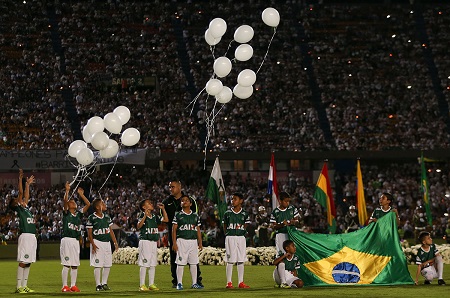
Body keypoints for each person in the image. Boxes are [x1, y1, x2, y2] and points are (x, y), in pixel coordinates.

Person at [162, 180, 203, 288]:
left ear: (179, 187)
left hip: (190, 234)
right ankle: (176, 281)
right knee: (175, 258)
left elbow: (194, 217)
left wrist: (200, 241)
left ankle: (197, 281)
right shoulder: (166, 202)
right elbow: (165, 220)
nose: (171, 189)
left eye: (173, 187)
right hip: (175, 234)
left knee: (193, 261)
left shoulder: (191, 200)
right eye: (169, 187)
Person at [9, 169, 36, 294]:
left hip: (32, 237)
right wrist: (20, 179)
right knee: (23, 262)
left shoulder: (25, 208)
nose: (19, 199)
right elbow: (21, 193)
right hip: (25, 236)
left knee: (28, 262)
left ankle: (24, 285)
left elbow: (26, 195)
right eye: (16, 199)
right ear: (16, 204)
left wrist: (28, 185)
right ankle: (18, 286)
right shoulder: (19, 208)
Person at [60, 182, 90, 292]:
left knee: (75, 264)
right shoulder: (66, 213)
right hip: (67, 239)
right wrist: (67, 191)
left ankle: (73, 285)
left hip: (75, 241)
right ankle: (64, 286)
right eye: (71, 202)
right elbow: (65, 201)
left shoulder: (78, 214)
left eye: (74, 202)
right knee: (66, 264)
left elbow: (88, 205)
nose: (73, 203)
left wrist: (82, 195)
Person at [86, 198, 119, 291]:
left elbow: (111, 231)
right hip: (97, 242)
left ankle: (104, 283)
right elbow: (89, 233)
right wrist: (92, 244)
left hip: (107, 243)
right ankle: (98, 285)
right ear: (97, 207)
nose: (105, 205)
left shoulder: (107, 217)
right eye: (102, 204)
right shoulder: (91, 218)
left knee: (108, 264)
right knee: (98, 264)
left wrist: (115, 242)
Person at [137, 198, 169, 291]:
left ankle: (151, 284)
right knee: (144, 263)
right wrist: (145, 217)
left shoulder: (154, 216)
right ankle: (142, 285)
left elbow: (166, 219)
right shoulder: (142, 214)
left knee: (152, 263)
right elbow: (139, 226)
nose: (151, 203)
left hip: (153, 242)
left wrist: (163, 209)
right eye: (148, 203)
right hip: (145, 241)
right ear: (144, 207)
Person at [172, 195, 203, 290]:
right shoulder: (178, 215)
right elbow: (174, 230)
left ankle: (194, 283)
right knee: (180, 263)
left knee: (193, 263)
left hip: (193, 241)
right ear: (180, 204)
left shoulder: (195, 215)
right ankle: (179, 283)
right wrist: (174, 243)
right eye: (182, 201)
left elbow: (198, 229)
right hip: (182, 241)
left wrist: (200, 242)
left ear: (190, 203)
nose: (184, 202)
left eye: (186, 200)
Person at [222, 193, 251, 289]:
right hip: (230, 237)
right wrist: (228, 234)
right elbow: (224, 226)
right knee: (230, 260)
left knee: (241, 260)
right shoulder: (227, 213)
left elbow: (246, 225)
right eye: (232, 199)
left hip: (241, 238)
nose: (232, 201)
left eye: (235, 199)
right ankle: (229, 282)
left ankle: (241, 282)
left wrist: (241, 231)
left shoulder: (245, 213)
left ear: (241, 201)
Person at [270, 192, 300, 256]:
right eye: (286, 201)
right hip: (281, 235)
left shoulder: (292, 208)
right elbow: (274, 226)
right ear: (280, 201)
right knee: (281, 254)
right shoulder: (275, 212)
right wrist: (282, 224)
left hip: (292, 234)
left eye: (288, 201)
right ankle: (281, 266)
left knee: (293, 254)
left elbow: (297, 221)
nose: (287, 203)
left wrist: (294, 222)